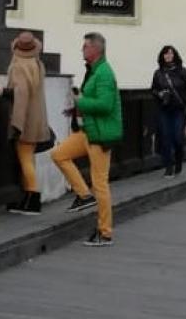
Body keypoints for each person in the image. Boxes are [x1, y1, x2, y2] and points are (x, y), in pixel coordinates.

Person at [51, 32, 122, 247]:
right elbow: (93, 101)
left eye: (85, 47)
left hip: (100, 134)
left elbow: (105, 105)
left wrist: (80, 102)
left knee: (100, 183)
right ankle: (83, 195)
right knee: (59, 154)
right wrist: (75, 109)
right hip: (88, 131)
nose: (82, 50)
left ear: (95, 49)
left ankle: (105, 232)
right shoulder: (94, 71)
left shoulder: (104, 73)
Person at [0, 31, 53, 215]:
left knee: (25, 159)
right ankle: (27, 199)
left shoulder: (18, 66)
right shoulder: (37, 64)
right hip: (37, 118)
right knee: (29, 158)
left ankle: (32, 199)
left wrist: (1, 92)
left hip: (26, 120)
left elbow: (20, 93)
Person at [150, 45, 186, 179]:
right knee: (166, 138)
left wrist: (183, 100)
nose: (168, 56)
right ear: (162, 56)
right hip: (164, 110)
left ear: (175, 55)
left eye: (170, 53)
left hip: (178, 110)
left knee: (177, 139)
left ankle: (179, 161)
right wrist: (160, 94)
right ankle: (168, 167)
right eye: (165, 54)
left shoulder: (182, 71)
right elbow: (153, 89)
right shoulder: (158, 73)